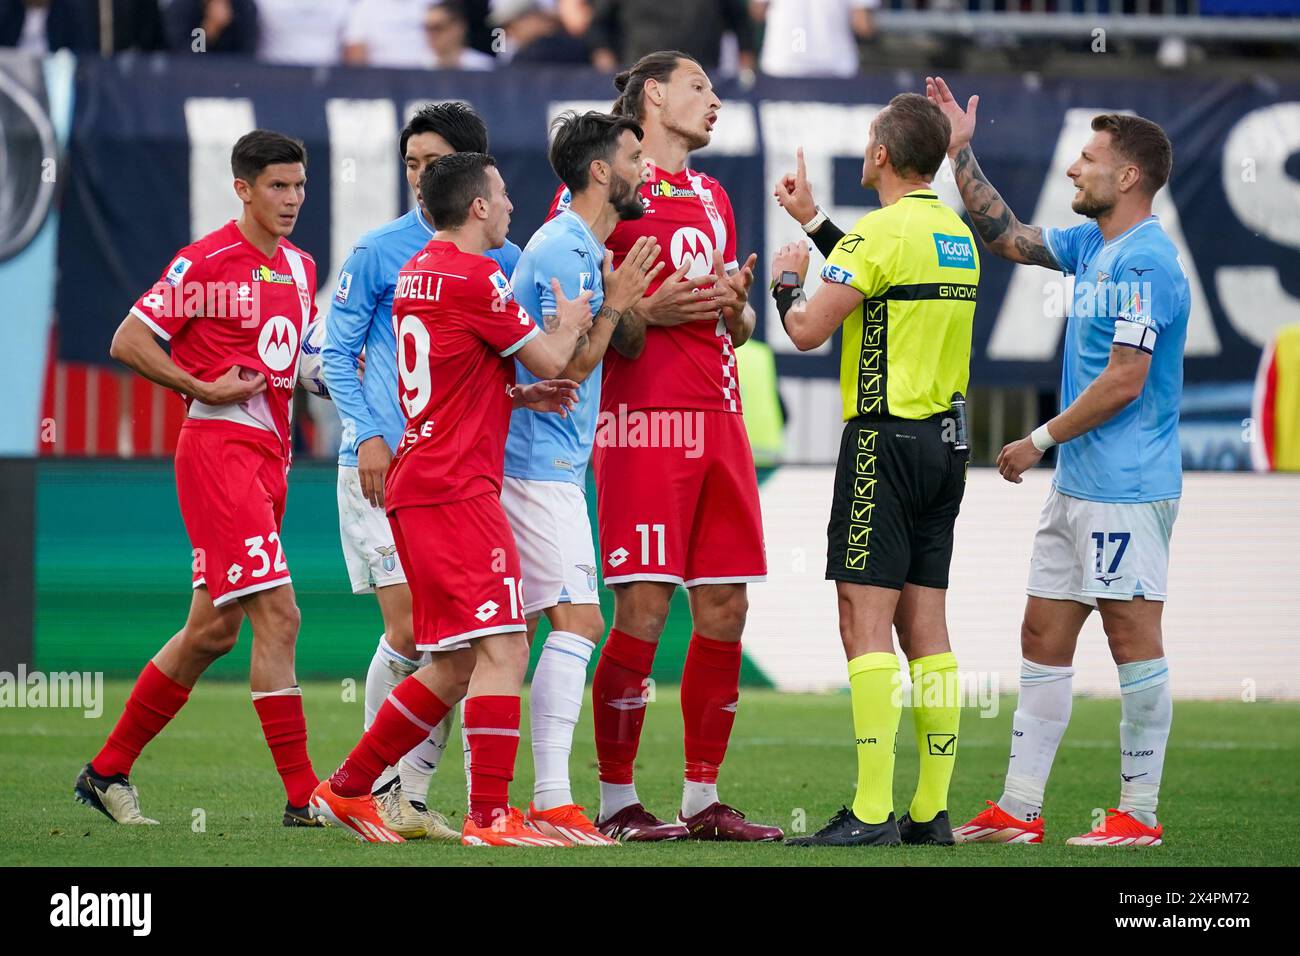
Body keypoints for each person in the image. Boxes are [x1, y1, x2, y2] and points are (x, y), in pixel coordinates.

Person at [926, 75, 1189, 848]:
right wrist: (960, 154)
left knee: (1132, 639)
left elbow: (1125, 379)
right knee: (1042, 633)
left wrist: (1038, 440)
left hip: (1128, 488)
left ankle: (1138, 814)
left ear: (1128, 175)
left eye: (1087, 158)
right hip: (1078, 489)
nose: (1073, 169)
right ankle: (1019, 808)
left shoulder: (1150, 265)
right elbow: (1006, 233)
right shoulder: (1091, 246)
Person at [310, 152, 593, 846]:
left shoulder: (416, 273)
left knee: (455, 662)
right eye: (500, 195)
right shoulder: (476, 274)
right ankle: (490, 815)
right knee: (505, 645)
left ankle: (347, 788)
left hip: (422, 482)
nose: (509, 207)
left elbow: (450, 369)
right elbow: (555, 358)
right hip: (456, 488)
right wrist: (583, 317)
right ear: (475, 207)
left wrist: (513, 394)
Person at [76, 131, 323, 829]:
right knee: (281, 615)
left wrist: (339, 380)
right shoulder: (205, 260)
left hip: (270, 460)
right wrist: (197, 386)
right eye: (277, 186)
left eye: (299, 185)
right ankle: (305, 797)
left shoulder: (301, 268)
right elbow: (128, 338)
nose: (292, 199)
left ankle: (106, 771)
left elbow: (296, 359)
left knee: (213, 631)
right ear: (242, 188)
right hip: (218, 453)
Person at [571, 51, 780, 843]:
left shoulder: (714, 194)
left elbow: (736, 319)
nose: (715, 99)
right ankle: (617, 799)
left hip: (719, 419)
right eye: (700, 86)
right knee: (645, 608)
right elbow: (585, 313)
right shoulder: (610, 185)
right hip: (643, 423)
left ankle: (702, 798)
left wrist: (738, 311)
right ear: (653, 95)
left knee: (726, 605)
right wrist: (643, 316)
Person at [771, 93, 980, 848]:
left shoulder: (875, 234)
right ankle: (929, 811)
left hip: (881, 446)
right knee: (928, 627)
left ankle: (868, 812)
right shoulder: (955, 233)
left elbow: (803, 333)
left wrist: (789, 277)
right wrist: (817, 223)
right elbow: (885, 280)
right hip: (946, 449)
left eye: (869, 142)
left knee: (863, 620)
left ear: (884, 156)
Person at [322, 102, 522, 840]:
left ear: (471, 172)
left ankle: (403, 793)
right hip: (383, 464)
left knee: (452, 646)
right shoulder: (379, 249)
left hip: (453, 467)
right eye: (409, 163)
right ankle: (373, 789)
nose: (418, 176)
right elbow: (333, 351)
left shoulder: (499, 252)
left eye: (431, 163)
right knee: (415, 633)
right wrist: (368, 432)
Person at [504, 110, 662, 845]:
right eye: (635, 155)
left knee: (512, 636)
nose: (644, 169)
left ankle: (412, 786)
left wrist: (617, 302)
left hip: (542, 463)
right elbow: (564, 370)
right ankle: (551, 800)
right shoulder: (566, 250)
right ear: (601, 172)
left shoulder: (578, 248)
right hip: (538, 466)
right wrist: (618, 309)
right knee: (580, 622)